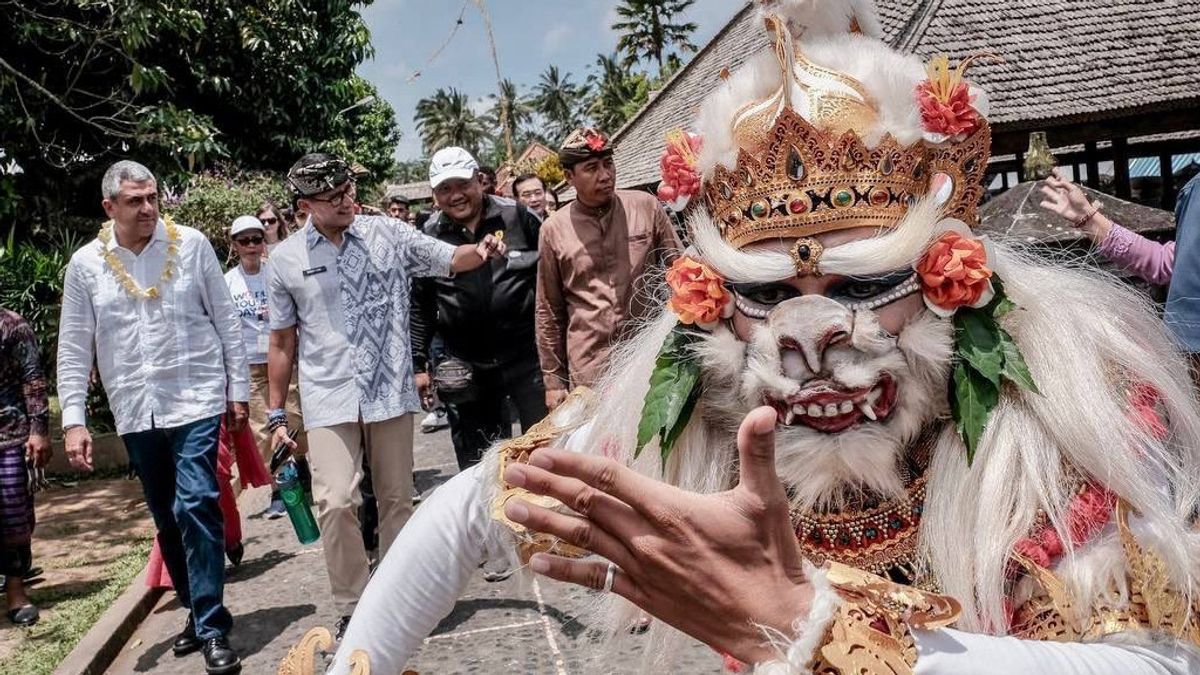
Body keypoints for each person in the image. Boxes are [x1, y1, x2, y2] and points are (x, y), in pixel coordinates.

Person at [325, 3, 1200, 674]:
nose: (810, 339)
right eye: (765, 293)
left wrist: (808, 625)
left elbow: (1159, 660)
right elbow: (467, 512)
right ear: (710, 302)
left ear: (952, 278)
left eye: (861, 284)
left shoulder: (1068, 414)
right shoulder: (701, 410)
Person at [265, 153, 507, 640]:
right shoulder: (285, 260)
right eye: (332, 198)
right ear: (306, 204)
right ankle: (353, 604)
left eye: (348, 191)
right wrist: (274, 414)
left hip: (389, 388)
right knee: (335, 499)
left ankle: (400, 596)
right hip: (328, 394)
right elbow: (281, 341)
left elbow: (447, 258)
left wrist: (479, 251)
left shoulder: (388, 235)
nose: (345, 202)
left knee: (397, 500)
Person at [58, 160, 246, 674]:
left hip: (196, 396)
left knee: (197, 503)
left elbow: (227, 322)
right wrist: (73, 419)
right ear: (109, 207)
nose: (148, 208)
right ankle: (193, 606)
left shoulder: (192, 246)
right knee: (166, 515)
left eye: (152, 197)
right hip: (135, 408)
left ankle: (211, 626)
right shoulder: (86, 265)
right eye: (135, 201)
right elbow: (74, 347)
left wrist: (238, 391)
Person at [411, 147, 547, 470]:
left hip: (526, 356)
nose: (455, 195)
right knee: (480, 463)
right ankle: (490, 519)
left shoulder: (517, 216)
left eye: (462, 185)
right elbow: (420, 303)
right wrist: (419, 365)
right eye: (445, 188)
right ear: (434, 194)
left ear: (480, 181)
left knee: (544, 448)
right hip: (465, 363)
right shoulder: (429, 235)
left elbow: (549, 271)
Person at [535, 127, 682, 411]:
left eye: (608, 164)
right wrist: (553, 381)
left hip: (649, 357)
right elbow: (548, 310)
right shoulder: (553, 230)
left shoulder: (646, 207)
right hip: (591, 368)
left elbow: (681, 275)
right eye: (591, 168)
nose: (605, 175)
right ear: (569, 177)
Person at [224, 215, 306, 519]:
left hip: (283, 361)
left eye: (256, 239)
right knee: (264, 432)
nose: (251, 246)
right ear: (234, 245)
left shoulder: (278, 273)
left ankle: (302, 467)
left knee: (295, 419)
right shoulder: (227, 282)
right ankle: (281, 491)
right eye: (243, 241)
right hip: (250, 365)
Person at [0, 308, 51, 627]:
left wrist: (39, 430)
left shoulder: (11, 326)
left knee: (12, 516)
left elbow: (32, 379)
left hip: (9, 432)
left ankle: (16, 591)